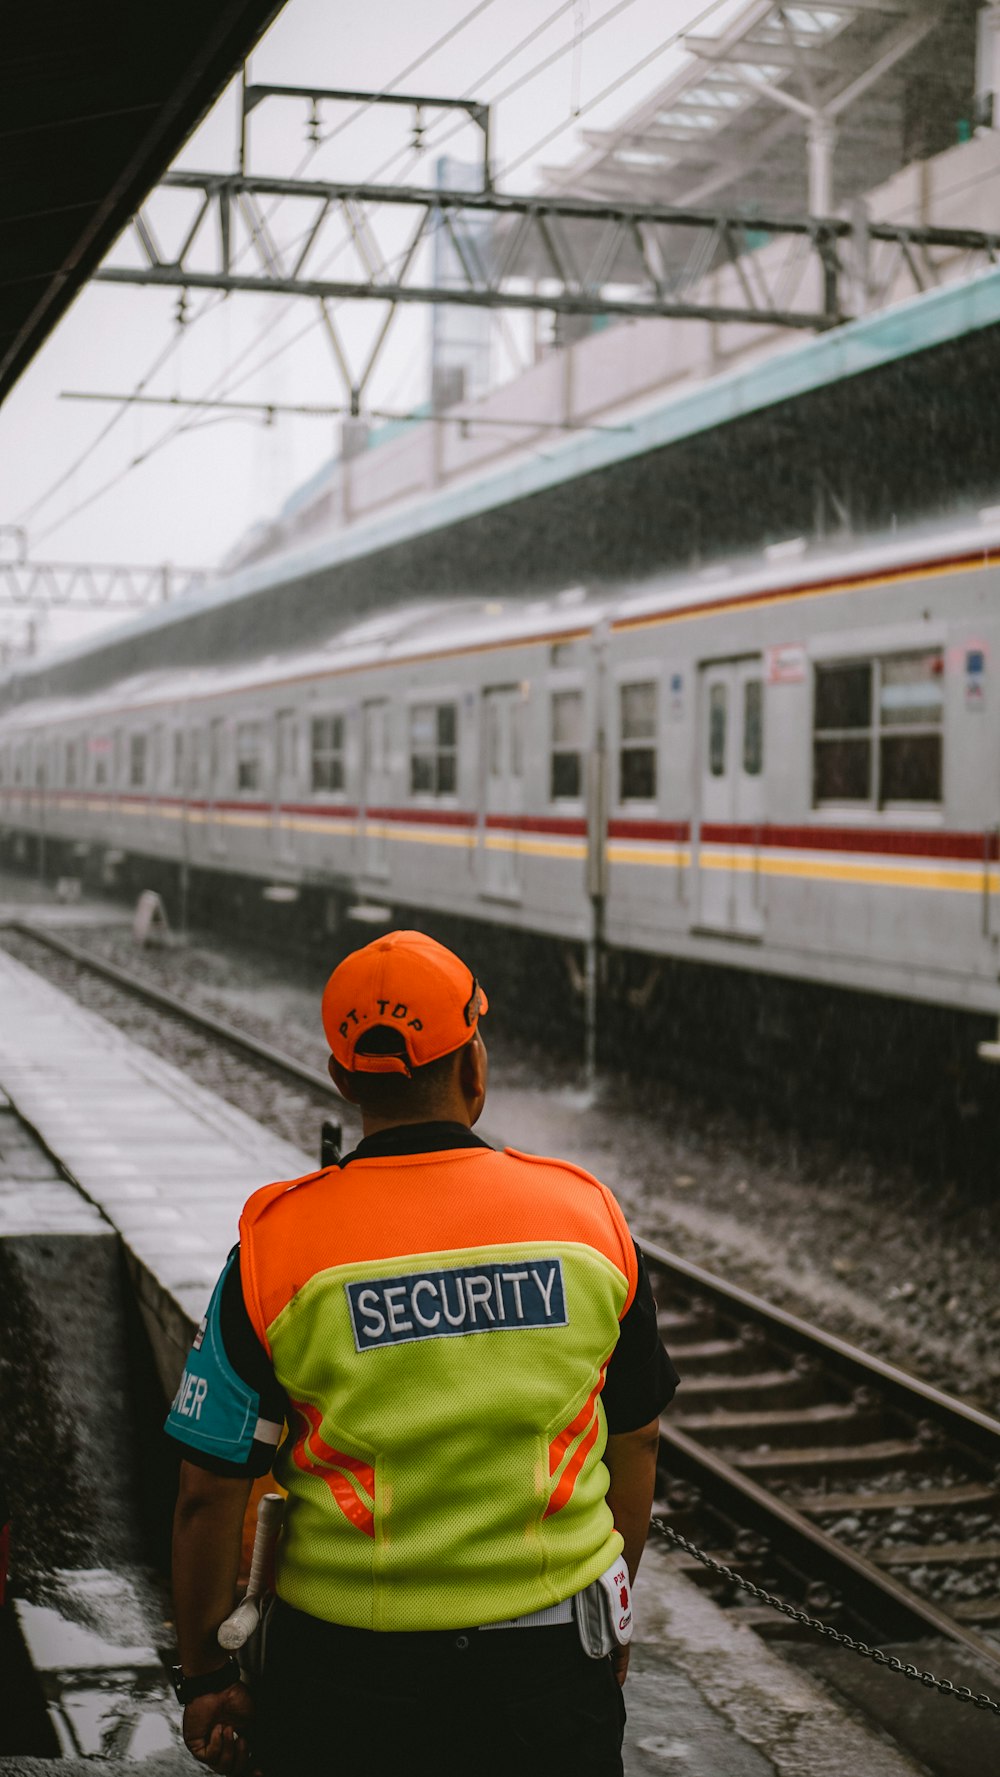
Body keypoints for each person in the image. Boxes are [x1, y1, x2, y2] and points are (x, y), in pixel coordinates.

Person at [165, 930, 678, 1777]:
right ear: (474, 1064)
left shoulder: (274, 1250)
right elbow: (638, 1438)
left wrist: (207, 1675)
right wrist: (610, 1613)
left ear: (342, 1078)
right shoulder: (588, 1221)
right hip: (550, 1672)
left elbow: (205, 1492)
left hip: (345, 1682)